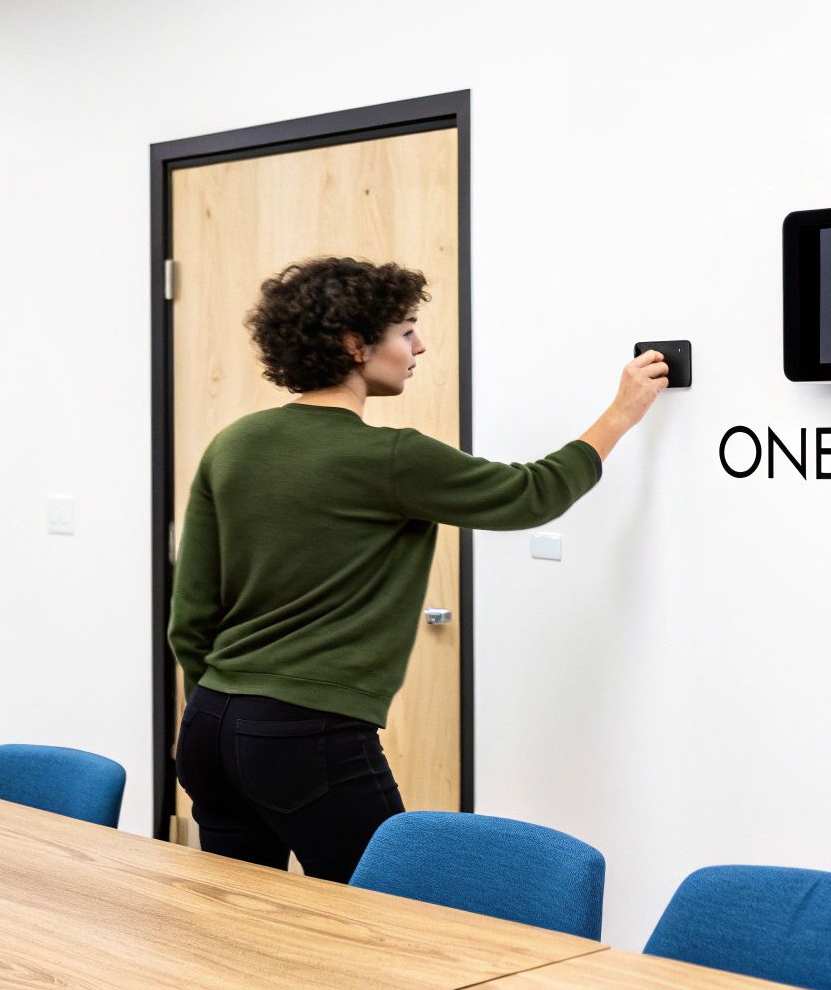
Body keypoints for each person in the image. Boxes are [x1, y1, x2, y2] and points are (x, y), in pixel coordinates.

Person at [169, 256, 667, 881]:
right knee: (389, 914)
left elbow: (190, 616)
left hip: (210, 724)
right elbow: (532, 493)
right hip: (304, 733)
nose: (420, 346)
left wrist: (220, 707)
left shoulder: (233, 444)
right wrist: (622, 412)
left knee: (237, 918)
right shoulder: (391, 457)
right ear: (354, 345)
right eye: (406, 332)